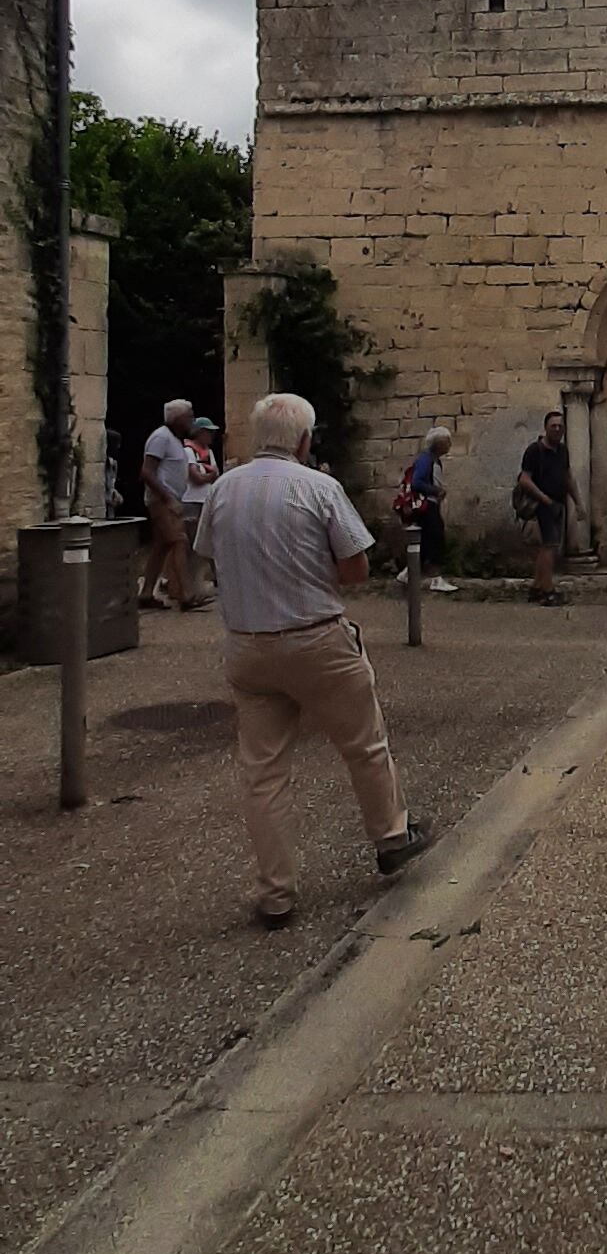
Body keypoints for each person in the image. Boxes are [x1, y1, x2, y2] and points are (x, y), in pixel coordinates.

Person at [192, 390, 427, 926]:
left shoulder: (223, 489)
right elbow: (356, 570)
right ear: (303, 440)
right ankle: (392, 836)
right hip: (316, 638)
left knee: (263, 773)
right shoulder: (319, 487)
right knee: (364, 743)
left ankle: (276, 893)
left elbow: (209, 553)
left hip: (247, 643)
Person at [140, 398, 205, 611]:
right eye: (189, 416)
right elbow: (147, 472)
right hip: (163, 500)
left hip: (172, 498)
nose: (192, 421)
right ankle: (186, 594)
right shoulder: (161, 438)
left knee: (161, 546)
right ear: (177, 418)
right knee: (179, 541)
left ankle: (146, 592)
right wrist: (168, 499)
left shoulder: (174, 440)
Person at [517, 407, 579, 604]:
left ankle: (537, 588)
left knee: (548, 547)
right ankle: (548, 590)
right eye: (553, 426)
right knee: (549, 547)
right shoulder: (534, 451)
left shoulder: (562, 451)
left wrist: (578, 503)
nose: (557, 429)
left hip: (557, 504)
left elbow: (568, 477)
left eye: (560, 426)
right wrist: (545, 499)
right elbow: (524, 479)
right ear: (545, 427)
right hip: (541, 505)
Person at [403, 425, 455, 590]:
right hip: (427, 506)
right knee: (435, 539)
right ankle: (435, 579)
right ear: (438, 443)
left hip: (431, 505)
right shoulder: (426, 460)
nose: (450, 445)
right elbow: (417, 482)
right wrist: (436, 490)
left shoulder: (433, 460)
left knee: (425, 541)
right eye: (447, 441)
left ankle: (407, 574)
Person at [182, 416, 221, 593]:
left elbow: (214, 474)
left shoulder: (208, 452)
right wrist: (209, 476)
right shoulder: (188, 451)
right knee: (192, 544)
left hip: (206, 500)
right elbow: (196, 478)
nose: (211, 436)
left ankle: (216, 576)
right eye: (208, 432)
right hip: (191, 501)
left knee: (211, 540)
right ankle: (189, 584)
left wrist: (208, 476)